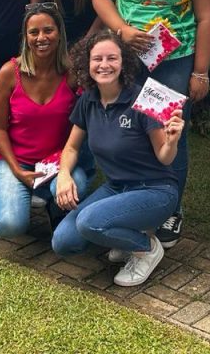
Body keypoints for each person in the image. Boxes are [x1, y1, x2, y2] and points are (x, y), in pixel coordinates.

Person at [92, 0, 210, 247]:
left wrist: (200, 72)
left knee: (169, 131)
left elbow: (207, 18)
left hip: (173, 64)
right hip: (124, 59)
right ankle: (128, 195)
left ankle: (170, 207)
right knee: (124, 127)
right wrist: (122, 29)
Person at [51, 31, 184, 287]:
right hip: (116, 187)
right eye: (97, 59)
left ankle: (146, 248)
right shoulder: (88, 100)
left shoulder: (141, 100)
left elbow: (165, 158)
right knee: (64, 242)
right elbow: (70, 148)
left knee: (89, 222)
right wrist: (64, 175)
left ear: (123, 62)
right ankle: (125, 236)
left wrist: (172, 140)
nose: (104, 65)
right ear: (86, 64)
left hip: (156, 189)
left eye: (112, 58)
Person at [0, 2, 90, 238]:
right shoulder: (9, 72)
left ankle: (52, 203)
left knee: (80, 185)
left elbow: (87, 116)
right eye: (33, 32)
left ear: (59, 33)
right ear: (25, 37)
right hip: (15, 159)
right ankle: (4, 189)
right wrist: (16, 170)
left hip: (56, 162)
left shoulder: (73, 73)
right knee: (9, 227)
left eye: (48, 30)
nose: (41, 37)